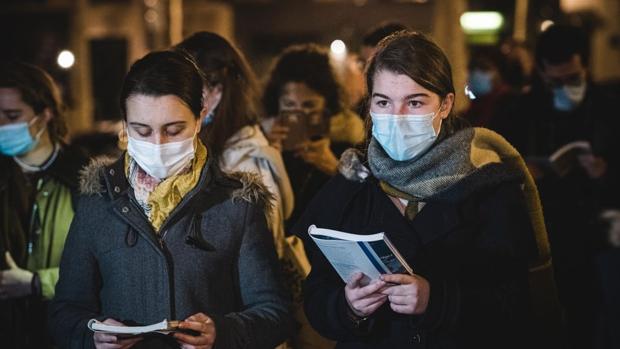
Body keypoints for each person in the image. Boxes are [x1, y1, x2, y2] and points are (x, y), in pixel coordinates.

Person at [295, 31, 561, 349]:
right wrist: (349, 307)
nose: (397, 117)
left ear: (445, 104)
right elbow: (315, 293)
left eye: (415, 102)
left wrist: (436, 301)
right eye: (383, 102)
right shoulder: (352, 182)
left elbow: (519, 304)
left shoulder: (488, 184)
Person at [50, 50, 293, 349]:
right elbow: (65, 311)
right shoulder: (98, 200)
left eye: (173, 130)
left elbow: (276, 313)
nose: (157, 144)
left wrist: (223, 332)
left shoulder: (236, 203)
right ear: (125, 124)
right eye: (142, 130)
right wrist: (93, 335)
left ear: (200, 117)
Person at [501, 24, 620, 348]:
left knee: (590, 322)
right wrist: (523, 172)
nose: (566, 88)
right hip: (542, 235)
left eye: (573, 79)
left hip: (595, 238)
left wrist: (605, 173)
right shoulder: (523, 110)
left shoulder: (608, 107)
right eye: (556, 81)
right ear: (541, 72)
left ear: (585, 66)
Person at [0, 61, 89, 349]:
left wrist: (37, 283)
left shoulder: (84, 177)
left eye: (12, 115)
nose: (2, 125)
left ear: (45, 114)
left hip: (63, 334)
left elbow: (101, 266)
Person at [262, 43, 365, 229]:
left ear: (327, 105)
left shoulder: (349, 144)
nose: (300, 113)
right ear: (276, 104)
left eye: (309, 105)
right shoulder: (261, 141)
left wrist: (334, 167)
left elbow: (365, 203)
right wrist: (267, 156)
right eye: (290, 105)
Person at [463, 47, 518, 130]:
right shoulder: (474, 108)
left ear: (498, 73)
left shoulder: (510, 104)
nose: (476, 74)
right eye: (473, 69)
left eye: (484, 68)